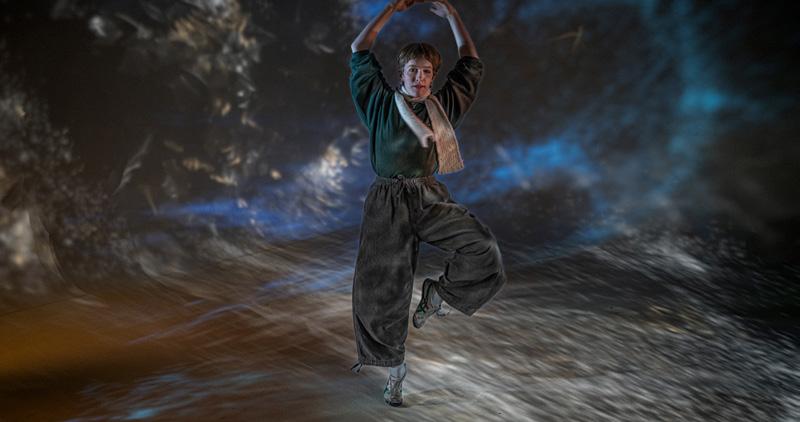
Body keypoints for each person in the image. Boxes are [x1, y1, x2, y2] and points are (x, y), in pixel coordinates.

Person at [348, 0, 506, 407]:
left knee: (483, 248)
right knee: (382, 289)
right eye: (413, 71)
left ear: (434, 76)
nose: (419, 78)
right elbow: (359, 48)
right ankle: (395, 372)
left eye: (426, 72)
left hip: (428, 195)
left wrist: (452, 15)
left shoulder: (443, 107)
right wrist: (391, 9)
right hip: (387, 202)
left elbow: (470, 61)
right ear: (401, 73)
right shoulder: (379, 101)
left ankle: (438, 295)